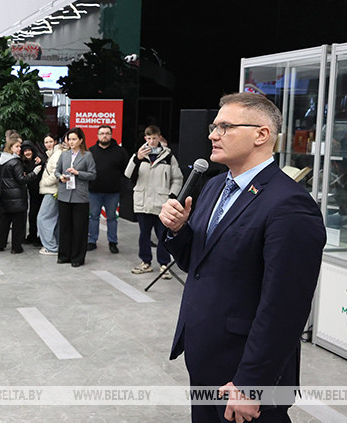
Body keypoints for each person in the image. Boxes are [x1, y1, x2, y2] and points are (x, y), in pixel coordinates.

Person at [159, 92, 326, 423]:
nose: (212, 134)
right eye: (213, 126)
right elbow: (198, 262)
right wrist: (179, 230)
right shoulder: (214, 186)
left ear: (261, 135)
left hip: (244, 370)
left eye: (225, 126)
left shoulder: (289, 205)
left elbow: (285, 308)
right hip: (205, 356)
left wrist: (254, 384)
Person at [125, 125, 182, 279]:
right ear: (145, 139)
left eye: (154, 138)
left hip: (161, 201)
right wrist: (137, 158)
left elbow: (177, 178)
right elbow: (127, 174)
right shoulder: (139, 155)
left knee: (162, 234)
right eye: (149, 138)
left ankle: (164, 264)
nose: (151, 141)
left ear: (159, 138)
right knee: (144, 234)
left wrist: (171, 196)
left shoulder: (169, 157)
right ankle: (145, 262)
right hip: (142, 202)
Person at [55, 128, 97, 267]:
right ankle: (64, 255)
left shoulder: (87, 155)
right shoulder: (64, 154)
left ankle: (78, 257)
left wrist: (78, 173)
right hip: (64, 194)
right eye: (69, 139)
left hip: (80, 196)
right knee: (65, 226)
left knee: (79, 228)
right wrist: (60, 177)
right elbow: (56, 170)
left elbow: (92, 174)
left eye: (74, 139)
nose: (71, 142)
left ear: (80, 140)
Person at [0, 136, 41, 254]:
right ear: (11, 147)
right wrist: (34, 173)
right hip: (17, 197)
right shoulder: (15, 162)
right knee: (18, 224)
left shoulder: (1, 159)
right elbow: (21, 179)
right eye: (17, 146)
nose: (20, 149)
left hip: (3, 196)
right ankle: (16, 247)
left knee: (3, 223)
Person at [87, 125, 129, 253]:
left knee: (111, 218)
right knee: (93, 217)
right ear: (97, 135)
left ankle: (112, 242)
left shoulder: (120, 152)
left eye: (107, 133)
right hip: (94, 191)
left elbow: (126, 171)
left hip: (113, 192)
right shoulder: (91, 151)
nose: (104, 135)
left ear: (111, 135)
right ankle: (92, 241)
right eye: (102, 133)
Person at [36, 134, 63, 255]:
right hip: (53, 191)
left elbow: (56, 173)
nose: (48, 144)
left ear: (55, 141)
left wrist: (44, 182)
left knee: (43, 218)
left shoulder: (57, 154)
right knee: (53, 219)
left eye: (50, 141)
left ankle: (51, 247)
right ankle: (54, 244)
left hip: (52, 191)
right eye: (46, 142)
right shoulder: (52, 154)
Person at [20, 140, 44, 246]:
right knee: (33, 215)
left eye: (29, 150)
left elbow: (45, 160)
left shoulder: (38, 160)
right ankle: (32, 236)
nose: (27, 152)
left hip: (42, 192)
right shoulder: (23, 162)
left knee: (40, 216)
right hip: (33, 193)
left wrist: (41, 159)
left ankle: (40, 238)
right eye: (25, 151)